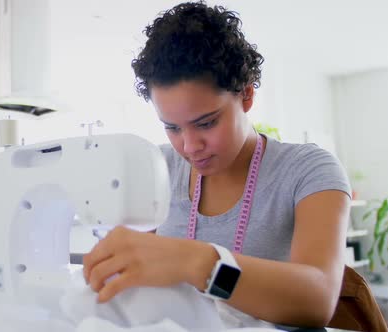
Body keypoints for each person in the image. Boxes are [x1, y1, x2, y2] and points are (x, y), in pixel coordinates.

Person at [82, 1, 351, 328]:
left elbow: (317, 301)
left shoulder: (309, 170)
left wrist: (197, 262)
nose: (189, 146)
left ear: (247, 95)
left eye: (207, 123)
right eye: (172, 127)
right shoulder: (156, 169)